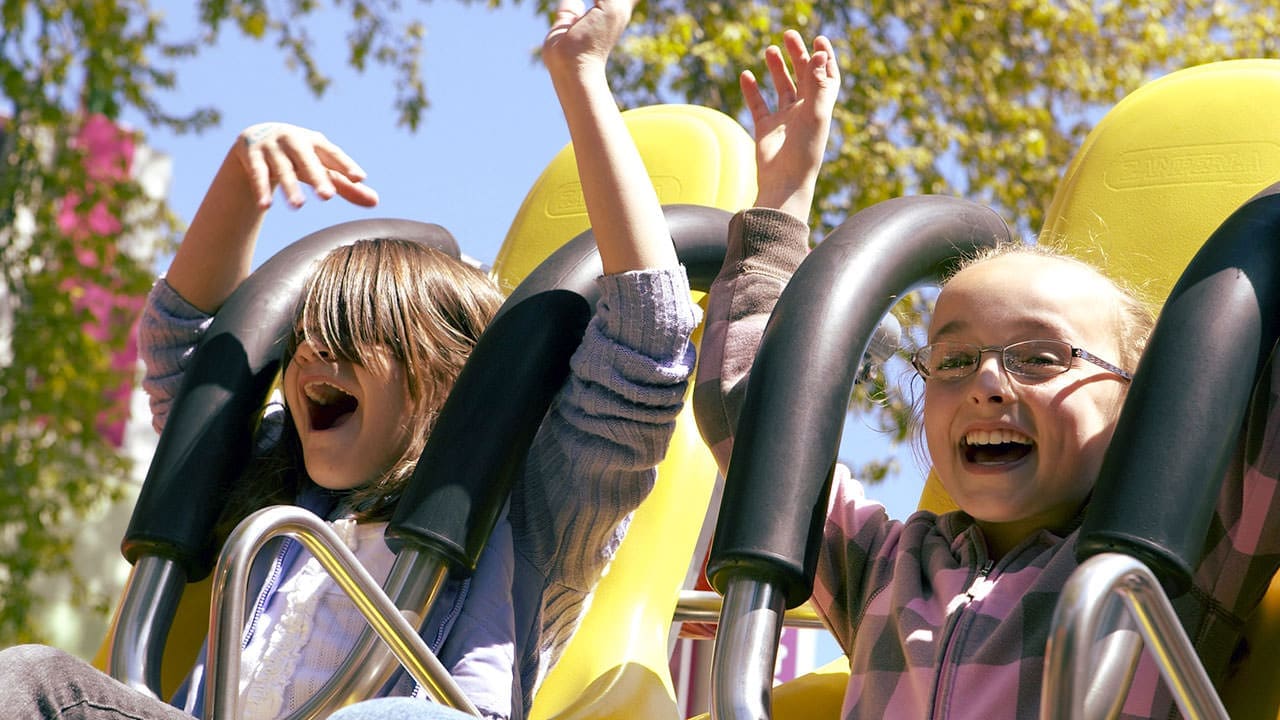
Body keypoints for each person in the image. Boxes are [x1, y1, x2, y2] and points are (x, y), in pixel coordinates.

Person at [0, 2, 700, 718]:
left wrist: (580, 76)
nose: (310, 358)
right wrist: (243, 180)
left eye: (348, 338)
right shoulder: (277, 486)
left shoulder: (531, 505)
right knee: (27, 676)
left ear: (447, 374)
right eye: (304, 338)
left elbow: (646, 346)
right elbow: (190, 358)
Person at [692, 29, 1280, 720]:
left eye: (1040, 358)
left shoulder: (1177, 560)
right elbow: (751, 413)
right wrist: (784, 197)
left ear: (1137, 402)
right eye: (954, 360)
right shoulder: (886, 568)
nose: (987, 383)